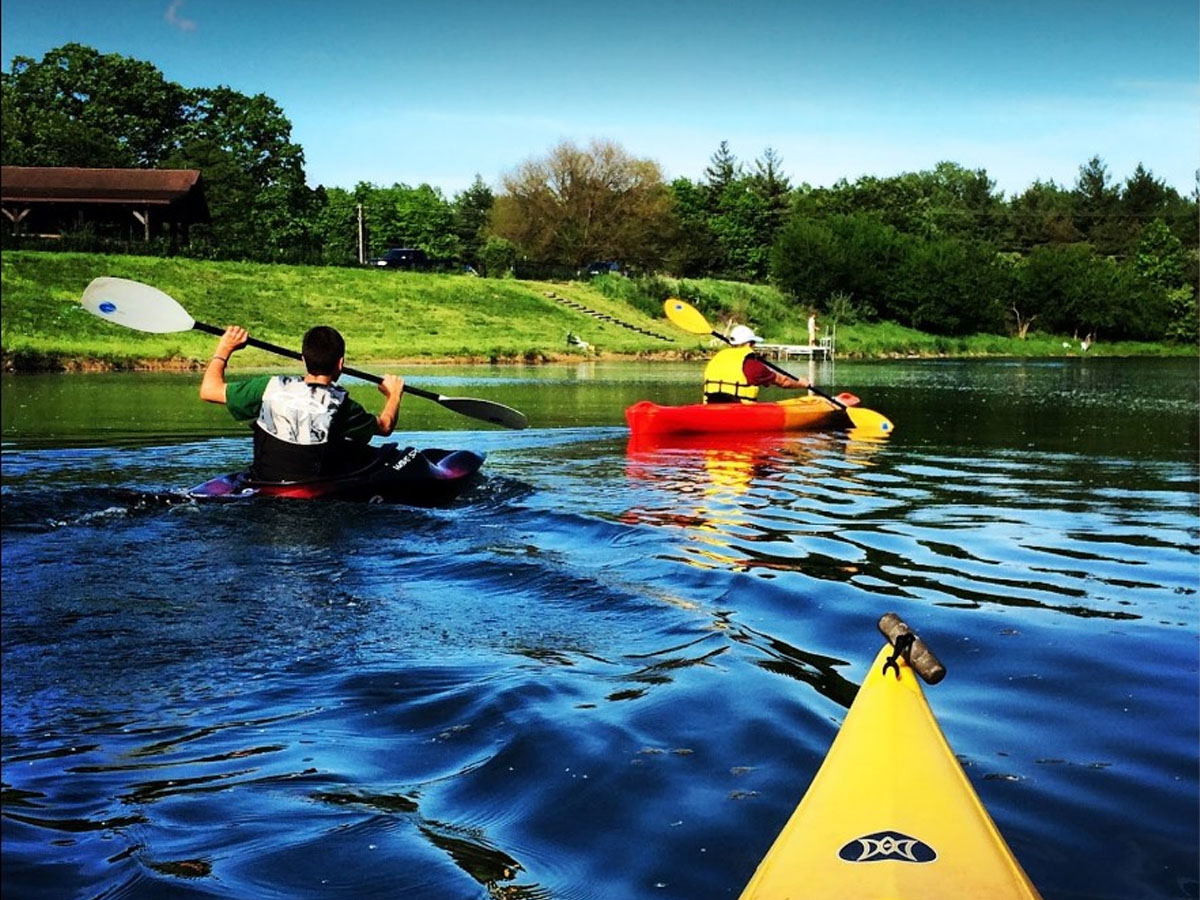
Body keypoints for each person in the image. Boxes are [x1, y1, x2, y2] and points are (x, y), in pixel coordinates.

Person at [199, 324, 405, 481]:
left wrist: (225, 348)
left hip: (264, 483)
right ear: (340, 363)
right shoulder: (345, 406)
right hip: (311, 487)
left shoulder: (266, 387)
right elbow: (385, 426)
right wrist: (394, 395)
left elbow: (208, 390)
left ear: (303, 360)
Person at [702, 324, 809, 404]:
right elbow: (784, 382)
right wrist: (802, 383)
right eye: (753, 343)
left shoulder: (718, 357)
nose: (754, 346)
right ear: (749, 343)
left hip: (710, 407)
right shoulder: (752, 366)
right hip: (740, 412)